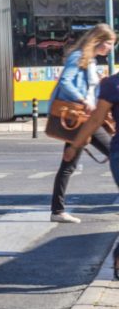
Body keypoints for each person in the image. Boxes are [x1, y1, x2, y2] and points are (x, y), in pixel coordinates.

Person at [49, 24, 116, 224]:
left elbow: (90, 87)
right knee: (112, 151)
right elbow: (66, 82)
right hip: (81, 119)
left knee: (68, 165)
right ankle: (57, 210)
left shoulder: (91, 61)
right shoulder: (78, 57)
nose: (111, 48)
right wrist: (83, 100)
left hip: (86, 118)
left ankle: (57, 210)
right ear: (99, 41)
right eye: (110, 43)